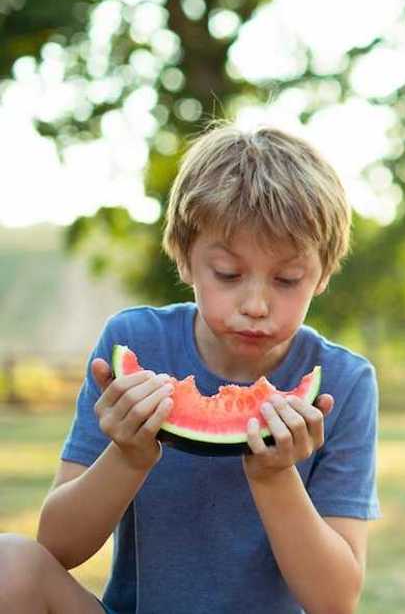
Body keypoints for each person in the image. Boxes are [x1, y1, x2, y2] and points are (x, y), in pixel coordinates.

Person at [0, 125, 380, 613]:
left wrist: (275, 476)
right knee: (10, 564)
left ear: (323, 275)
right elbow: (58, 546)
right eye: (227, 274)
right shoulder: (135, 344)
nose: (256, 304)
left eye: (287, 280)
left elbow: (335, 602)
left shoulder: (343, 383)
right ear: (184, 260)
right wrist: (129, 456)